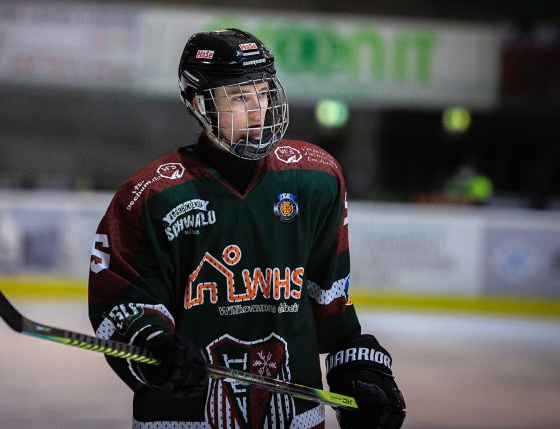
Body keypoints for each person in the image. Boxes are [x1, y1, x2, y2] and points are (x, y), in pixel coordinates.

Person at [88, 28, 406, 428]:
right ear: (196, 103)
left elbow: (329, 301)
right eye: (239, 97)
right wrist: (156, 347)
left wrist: (356, 361)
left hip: (293, 419)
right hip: (185, 419)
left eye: (262, 92)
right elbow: (123, 304)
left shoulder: (315, 179)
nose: (258, 109)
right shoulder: (152, 195)